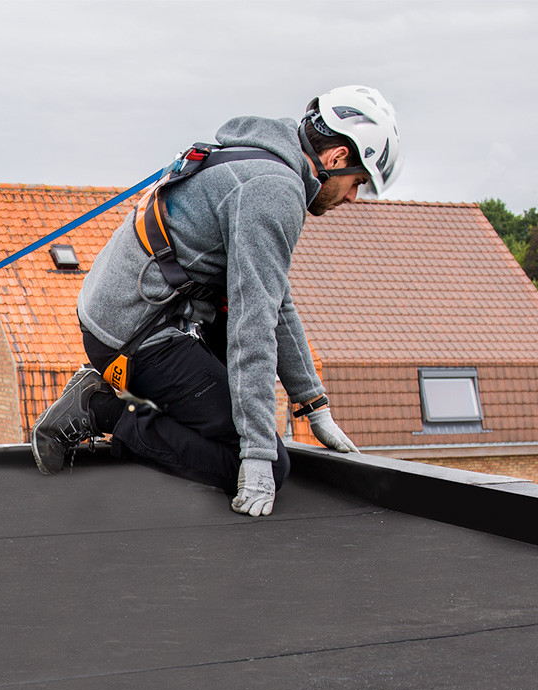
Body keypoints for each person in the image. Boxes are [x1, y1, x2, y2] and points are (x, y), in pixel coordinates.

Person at [31, 86, 402, 517]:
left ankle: (124, 405)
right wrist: (259, 456)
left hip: (134, 311)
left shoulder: (261, 157)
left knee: (249, 427)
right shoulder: (273, 190)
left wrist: (312, 404)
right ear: (337, 157)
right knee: (268, 463)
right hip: (134, 332)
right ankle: (100, 411)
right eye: (357, 182)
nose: (353, 198)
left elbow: (274, 300)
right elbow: (252, 325)